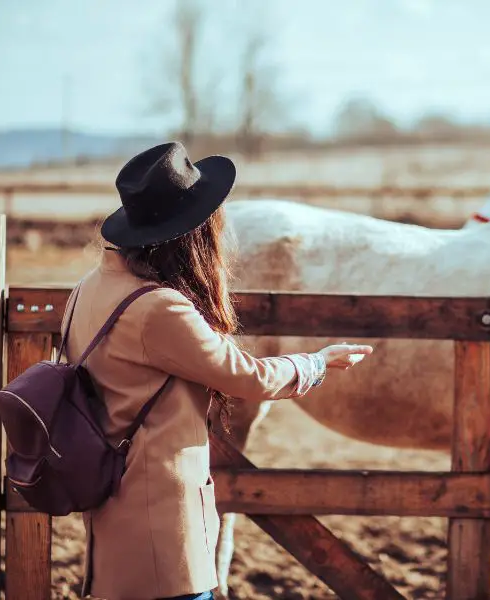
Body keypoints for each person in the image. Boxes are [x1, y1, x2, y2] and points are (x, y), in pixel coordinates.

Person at [62, 141, 373, 600]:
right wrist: (317, 362)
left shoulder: (87, 289)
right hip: (162, 532)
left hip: (112, 520)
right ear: (189, 233)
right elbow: (248, 377)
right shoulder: (159, 309)